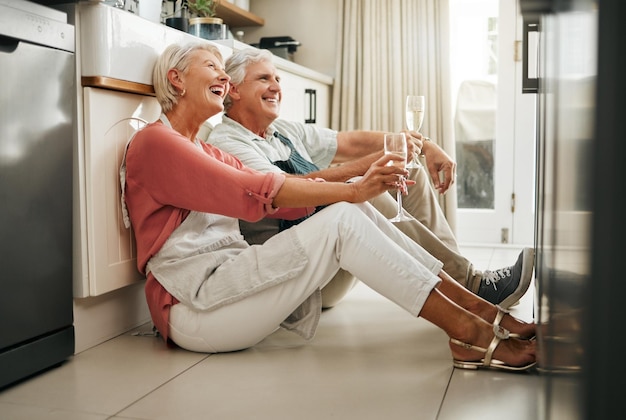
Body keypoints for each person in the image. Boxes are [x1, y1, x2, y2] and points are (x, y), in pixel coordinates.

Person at [120, 41, 536, 372]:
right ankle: (472, 331)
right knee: (343, 214)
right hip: (190, 307)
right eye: (212, 66)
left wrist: (360, 186)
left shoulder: (203, 148)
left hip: (227, 284)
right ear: (176, 79)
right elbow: (257, 191)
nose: (223, 77)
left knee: (348, 210)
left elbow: (279, 189)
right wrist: (355, 187)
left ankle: (480, 312)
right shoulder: (156, 143)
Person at [206, 48, 533, 310]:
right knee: (361, 191)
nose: (277, 86)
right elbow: (283, 191)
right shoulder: (228, 141)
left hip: (333, 254)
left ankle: (466, 285)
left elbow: (351, 142)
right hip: (298, 277)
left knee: (409, 175)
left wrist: (423, 145)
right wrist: (371, 170)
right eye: (264, 79)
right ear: (233, 89)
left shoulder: (284, 131)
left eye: (278, 78)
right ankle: (471, 287)